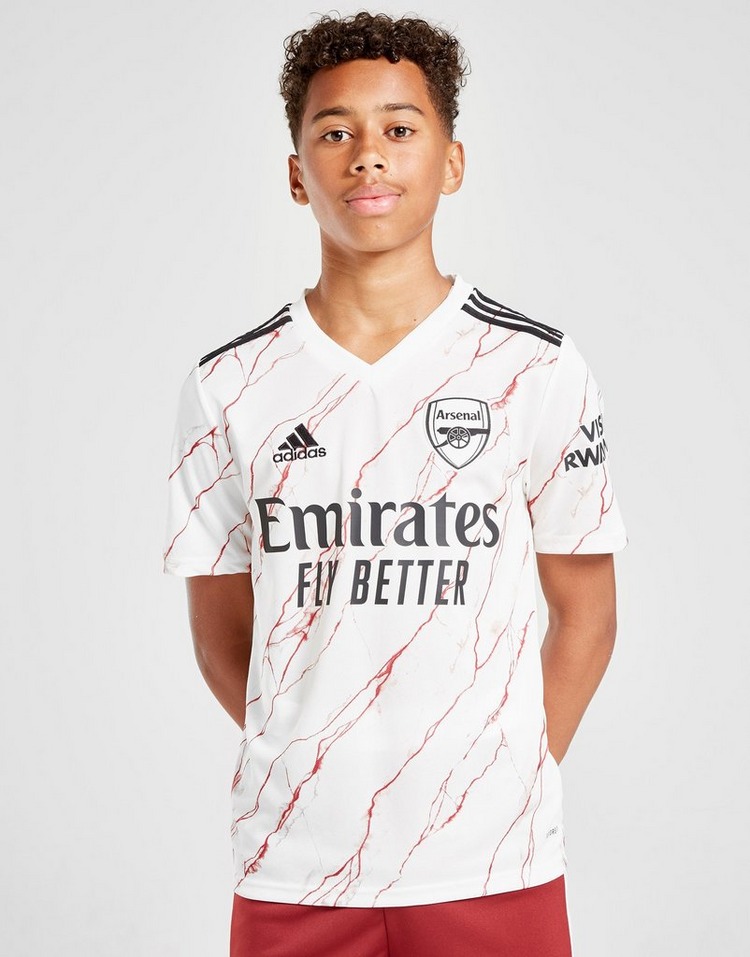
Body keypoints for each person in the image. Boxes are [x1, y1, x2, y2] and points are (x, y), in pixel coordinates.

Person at [163, 11, 627, 957]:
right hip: (295, 862)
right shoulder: (228, 385)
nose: (368, 154)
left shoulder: (535, 367)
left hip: (491, 865)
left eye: (399, 128)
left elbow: (587, 612)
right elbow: (220, 632)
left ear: (451, 162)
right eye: (335, 131)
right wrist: (312, 750)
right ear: (297, 174)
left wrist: (503, 775)